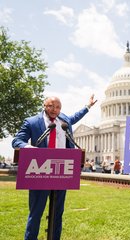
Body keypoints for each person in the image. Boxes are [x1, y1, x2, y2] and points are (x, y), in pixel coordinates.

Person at [12, 95, 97, 240]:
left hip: (61, 172)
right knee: (36, 213)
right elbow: (17, 140)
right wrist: (29, 148)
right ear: (44, 105)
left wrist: (87, 107)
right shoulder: (32, 122)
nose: (54, 110)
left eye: (57, 107)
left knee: (58, 214)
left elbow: (75, 116)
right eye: (51, 106)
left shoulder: (64, 121)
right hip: (39, 172)